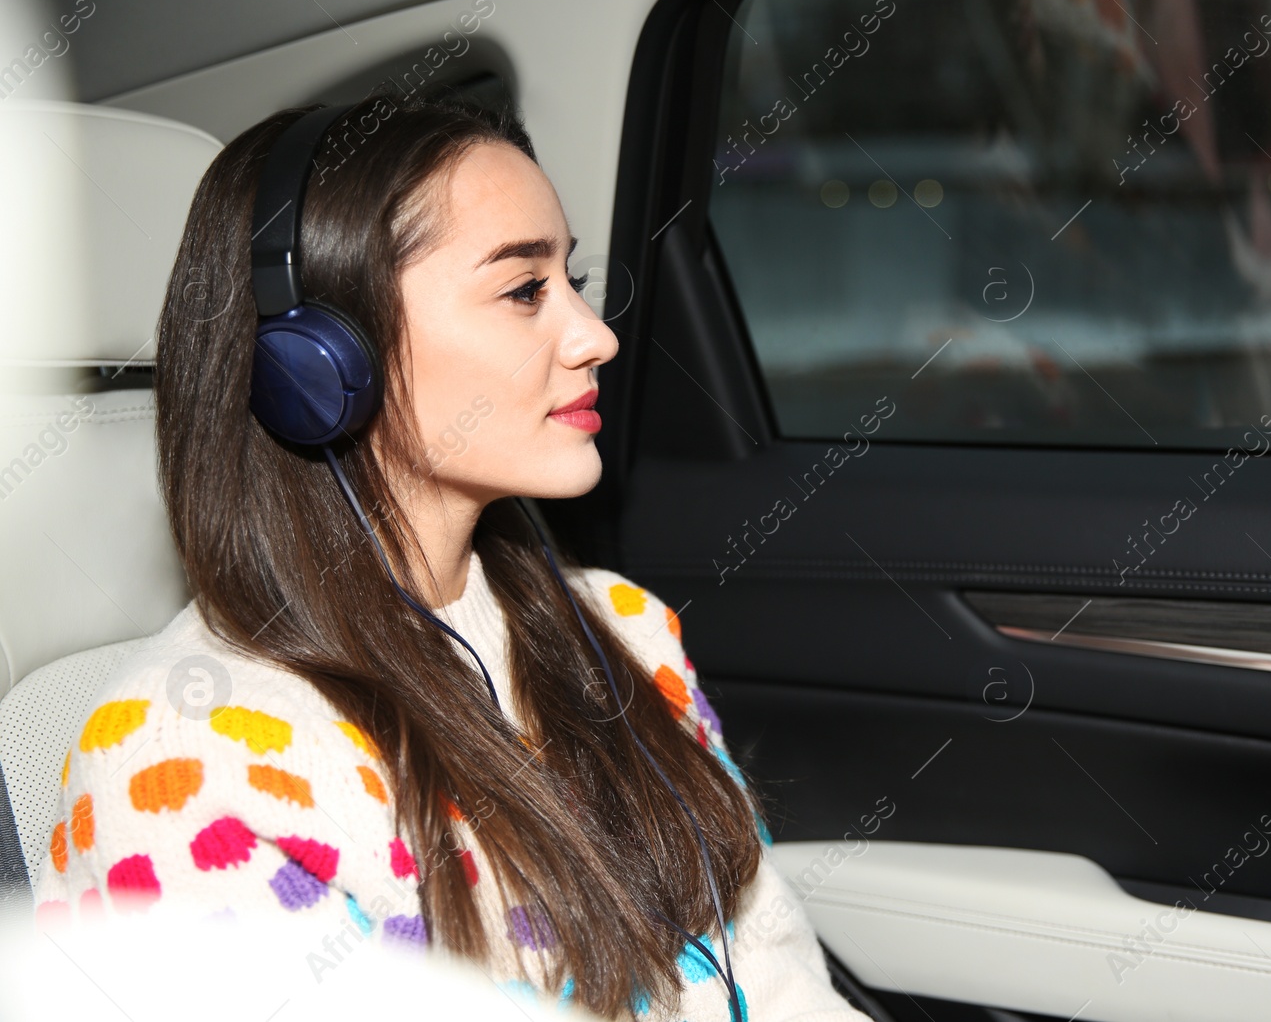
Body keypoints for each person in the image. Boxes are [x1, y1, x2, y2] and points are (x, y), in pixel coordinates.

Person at [33, 90, 866, 1022]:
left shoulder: (627, 632)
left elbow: (780, 977)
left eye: (571, 280)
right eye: (523, 291)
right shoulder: (189, 764)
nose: (597, 335)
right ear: (319, 363)